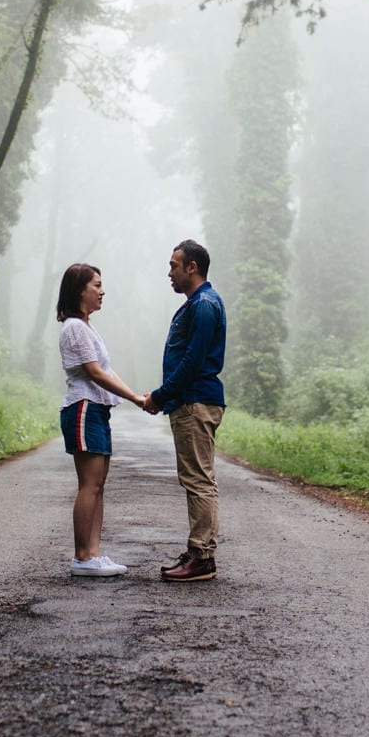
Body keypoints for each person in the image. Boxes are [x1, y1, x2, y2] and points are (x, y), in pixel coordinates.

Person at [139, 239, 226, 582]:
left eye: (174, 265)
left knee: (198, 480)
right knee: (197, 478)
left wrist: (160, 396)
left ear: (192, 267)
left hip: (195, 401)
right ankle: (197, 551)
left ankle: (202, 557)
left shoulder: (203, 305)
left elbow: (192, 361)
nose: (169, 273)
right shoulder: (199, 303)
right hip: (191, 400)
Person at [56, 262, 150, 578]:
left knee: (98, 485)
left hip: (96, 409)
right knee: (90, 484)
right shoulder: (74, 327)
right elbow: (94, 373)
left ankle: (93, 554)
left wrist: (136, 397)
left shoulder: (87, 327)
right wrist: (136, 399)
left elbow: (106, 371)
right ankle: (82, 556)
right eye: (96, 285)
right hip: (83, 409)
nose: (102, 290)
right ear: (79, 290)